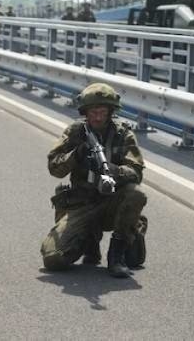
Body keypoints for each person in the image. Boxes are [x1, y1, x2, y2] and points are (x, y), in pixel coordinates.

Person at [40, 83, 148, 278]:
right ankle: (89, 240)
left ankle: (117, 253)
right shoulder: (75, 132)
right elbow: (54, 167)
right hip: (82, 204)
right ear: (85, 112)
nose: (98, 117)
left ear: (110, 112)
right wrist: (76, 154)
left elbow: (136, 171)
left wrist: (115, 171)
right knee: (53, 259)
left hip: (112, 203)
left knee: (136, 194)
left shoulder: (123, 134)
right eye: (93, 112)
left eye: (103, 112)